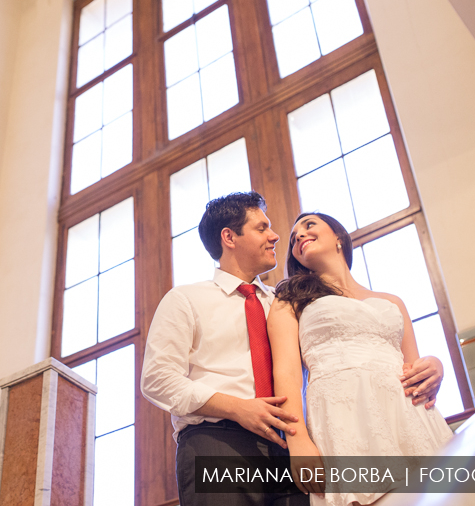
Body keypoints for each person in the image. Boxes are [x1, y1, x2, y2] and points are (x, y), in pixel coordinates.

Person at [267, 212, 454, 505]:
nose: (299, 235)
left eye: (309, 225)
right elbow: (287, 372)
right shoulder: (289, 299)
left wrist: (435, 366)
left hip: (407, 413)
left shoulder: (392, 302)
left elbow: (412, 366)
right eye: (293, 238)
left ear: (339, 237)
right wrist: (298, 439)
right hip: (343, 414)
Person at [141, 192, 309, 506]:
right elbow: (157, 380)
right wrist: (239, 408)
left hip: (291, 447)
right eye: (262, 228)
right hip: (217, 443)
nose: (274, 236)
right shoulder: (186, 300)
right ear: (229, 236)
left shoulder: (284, 303)